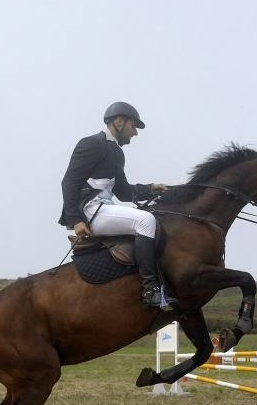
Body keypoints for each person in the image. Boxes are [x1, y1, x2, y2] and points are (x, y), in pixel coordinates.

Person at [59, 101, 175, 309]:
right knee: (145, 220)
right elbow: (68, 182)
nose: (135, 133)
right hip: (91, 210)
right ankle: (150, 289)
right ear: (119, 122)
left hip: (105, 207)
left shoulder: (117, 153)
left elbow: (122, 191)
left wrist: (150, 188)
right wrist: (75, 220)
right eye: (133, 127)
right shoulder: (92, 143)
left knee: (151, 216)